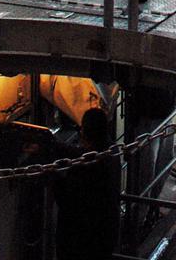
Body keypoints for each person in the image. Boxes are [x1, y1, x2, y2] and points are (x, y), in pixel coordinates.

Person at [53, 108, 120, 260]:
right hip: (105, 234)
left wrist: (54, 178)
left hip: (80, 240)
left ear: (84, 133)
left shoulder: (86, 164)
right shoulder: (112, 151)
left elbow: (66, 200)